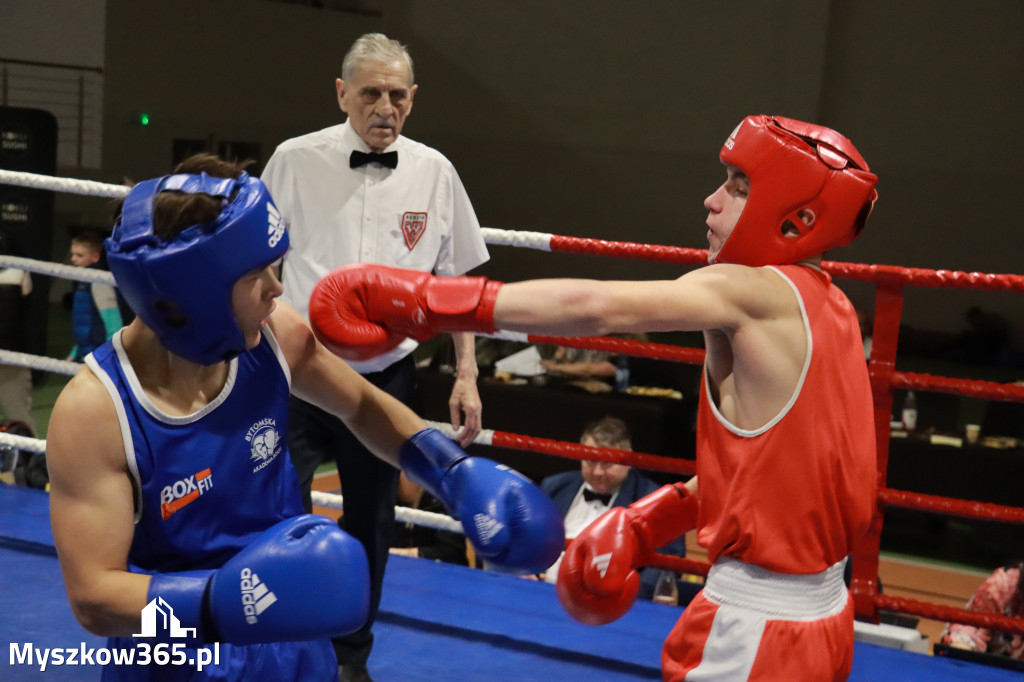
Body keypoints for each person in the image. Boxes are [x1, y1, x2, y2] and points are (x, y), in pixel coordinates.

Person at [310, 114, 879, 681]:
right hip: (827, 616)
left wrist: (426, 300)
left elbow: (598, 305)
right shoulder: (837, 311)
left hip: (756, 630)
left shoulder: (750, 292)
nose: (711, 201)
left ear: (796, 217)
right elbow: (777, 478)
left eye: (738, 186)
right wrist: (647, 523)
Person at [44, 155, 562, 682]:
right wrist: (227, 603)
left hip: (292, 648)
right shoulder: (97, 411)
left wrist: (448, 468)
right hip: (179, 654)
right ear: (191, 296)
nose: (277, 288)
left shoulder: (274, 335)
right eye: (256, 275)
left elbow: (361, 405)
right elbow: (95, 596)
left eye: (276, 265)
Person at [260, 33, 489, 680]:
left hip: (387, 379)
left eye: (396, 95)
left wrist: (467, 374)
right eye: (370, 93)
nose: (384, 106)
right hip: (297, 366)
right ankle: (277, 641)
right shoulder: (292, 159)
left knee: (373, 521)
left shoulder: (435, 172)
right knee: (278, 511)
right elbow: (257, 257)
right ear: (342, 95)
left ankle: (350, 659)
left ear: (413, 99)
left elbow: (460, 287)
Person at [540, 416, 687, 601]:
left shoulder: (654, 500)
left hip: (609, 605)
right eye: (590, 460)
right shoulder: (555, 486)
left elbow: (662, 568)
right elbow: (532, 541)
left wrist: (617, 600)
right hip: (542, 591)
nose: (598, 471)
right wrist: (528, 571)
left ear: (628, 458)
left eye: (607, 463)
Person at [940, 561, 1024, 659]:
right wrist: (961, 649)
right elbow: (970, 628)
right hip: (986, 660)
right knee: (958, 650)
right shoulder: (1001, 584)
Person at [390, 471, 473, 566]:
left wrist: (395, 554)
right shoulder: (389, 497)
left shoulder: (442, 499)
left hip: (439, 576)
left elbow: (450, 555)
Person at [66, 229, 123, 361]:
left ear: (95, 257)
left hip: (98, 354)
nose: (73, 259)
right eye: (73, 254)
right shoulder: (83, 281)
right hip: (87, 352)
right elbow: (83, 322)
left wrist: (109, 357)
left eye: (79, 255)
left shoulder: (99, 283)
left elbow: (113, 323)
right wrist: (75, 352)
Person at [0, 234, 35, 431]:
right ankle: (28, 459)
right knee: (20, 419)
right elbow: (26, 307)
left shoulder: (17, 271)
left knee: (19, 417)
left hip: (10, 356)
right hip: (12, 353)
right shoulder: (19, 270)